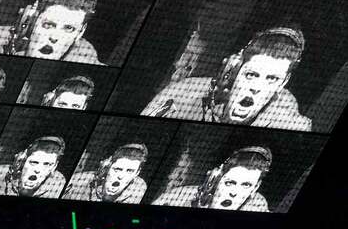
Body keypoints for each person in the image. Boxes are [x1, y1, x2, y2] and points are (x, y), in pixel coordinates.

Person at [141, 26, 311, 131]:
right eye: (251, 75)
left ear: (283, 83)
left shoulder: (288, 123)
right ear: (233, 71)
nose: (257, 87)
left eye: (272, 79)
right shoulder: (183, 93)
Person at [153, 146, 272, 212]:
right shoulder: (177, 197)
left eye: (246, 185)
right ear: (216, 177)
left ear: (255, 187)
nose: (234, 193)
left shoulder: (258, 207)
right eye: (230, 183)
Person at [0, 136, 66, 198]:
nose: (38, 170)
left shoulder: (59, 186)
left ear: (54, 167)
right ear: (22, 161)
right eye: (34, 162)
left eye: (47, 164)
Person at [63, 143, 148, 203]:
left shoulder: (139, 189)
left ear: (137, 173)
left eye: (130, 171)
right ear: (107, 167)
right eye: (117, 169)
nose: (121, 176)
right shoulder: (77, 181)